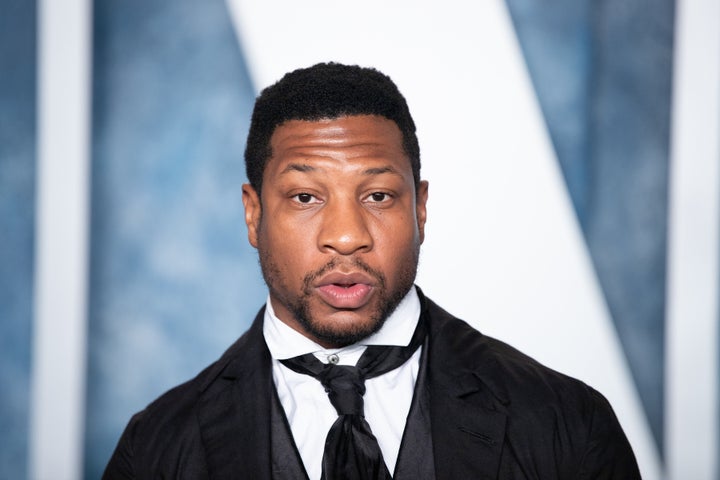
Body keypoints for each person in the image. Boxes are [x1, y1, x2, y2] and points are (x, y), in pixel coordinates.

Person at [103, 62, 640, 479]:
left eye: (378, 194)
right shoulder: (154, 450)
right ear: (253, 213)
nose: (346, 235)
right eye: (306, 196)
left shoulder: (568, 424)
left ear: (420, 209)